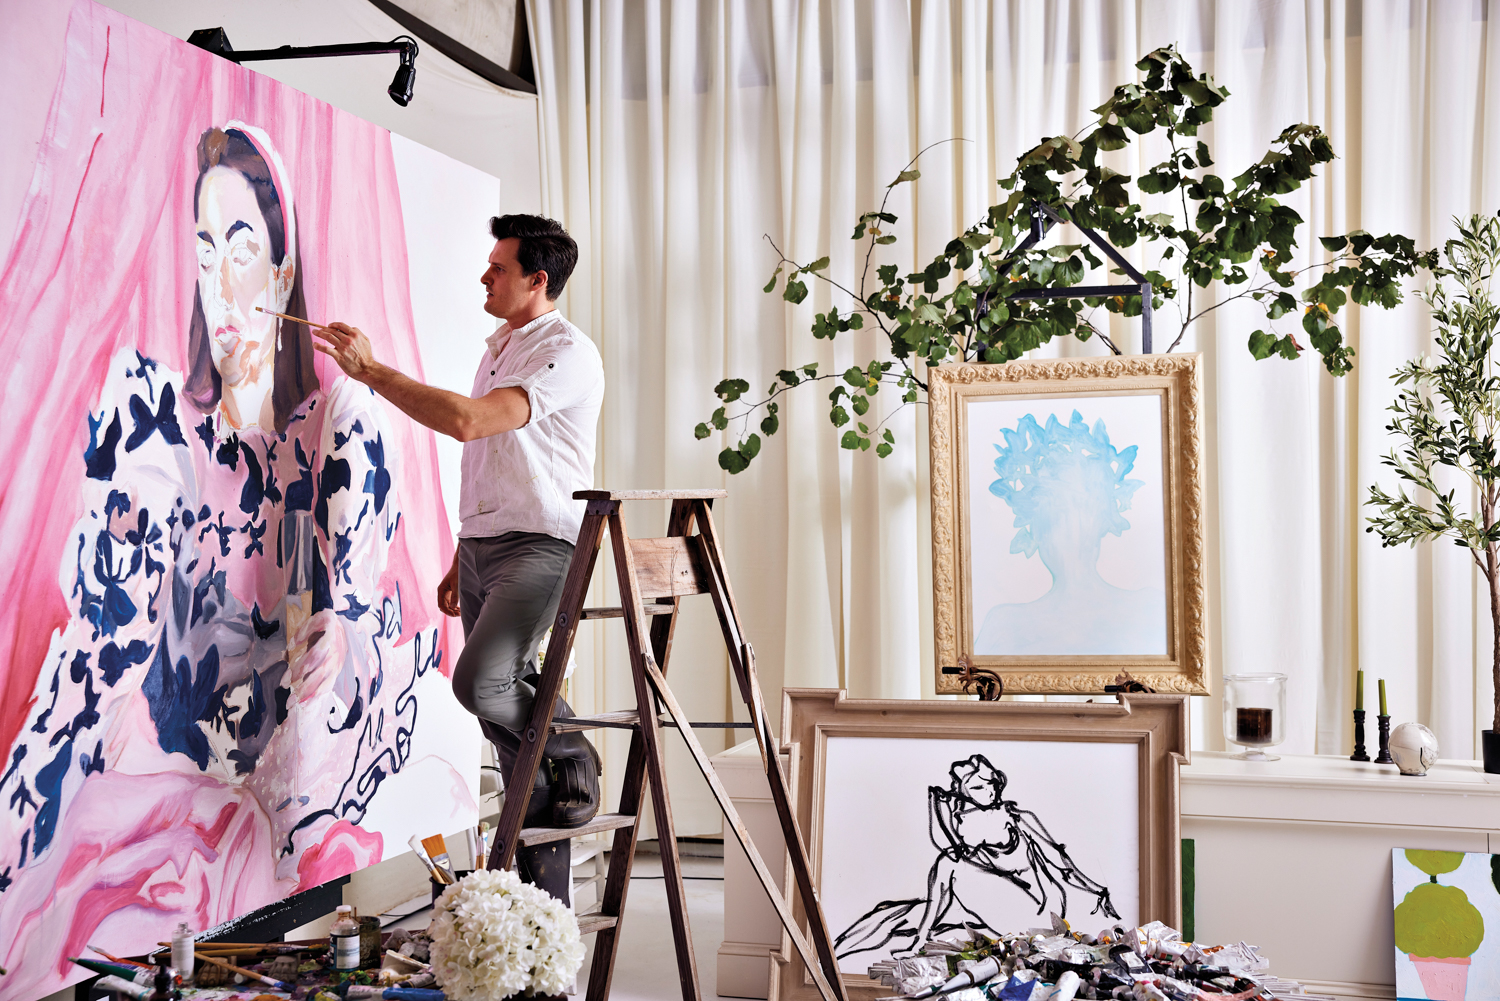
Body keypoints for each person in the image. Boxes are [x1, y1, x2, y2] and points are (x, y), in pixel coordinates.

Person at [0, 121, 474, 1001]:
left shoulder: (337, 427)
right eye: (203, 247)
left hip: (300, 774)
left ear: (284, 270)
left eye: (243, 246)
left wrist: (336, 634)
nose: (221, 281)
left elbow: (348, 610)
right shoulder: (158, 433)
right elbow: (95, 673)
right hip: (169, 786)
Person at [315, 214, 604, 901]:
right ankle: (544, 916)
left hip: (542, 542)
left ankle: (571, 748)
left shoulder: (567, 352)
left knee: (480, 684)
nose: (484, 275)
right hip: (482, 545)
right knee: (512, 753)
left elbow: (471, 422)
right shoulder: (499, 344)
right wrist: (460, 549)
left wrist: (370, 370)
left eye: (498, 267)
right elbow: (496, 460)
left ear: (538, 281)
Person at [834, 754, 1117, 961]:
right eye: (980, 787)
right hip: (1001, 907)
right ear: (966, 791)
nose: (990, 791)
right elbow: (947, 833)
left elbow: (1060, 861)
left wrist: (1098, 890)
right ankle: (831, 956)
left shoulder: (1017, 818)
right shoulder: (963, 821)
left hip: (1037, 913)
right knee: (899, 912)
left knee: (947, 865)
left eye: (992, 785)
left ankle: (919, 940)